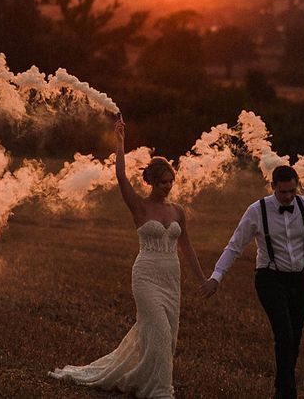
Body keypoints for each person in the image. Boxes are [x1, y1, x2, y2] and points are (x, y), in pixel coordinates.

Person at [49, 116, 207, 398]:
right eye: (162, 182)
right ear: (151, 182)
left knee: (167, 337)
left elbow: (188, 247)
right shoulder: (139, 207)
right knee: (158, 330)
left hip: (171, 277)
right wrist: (120, 143)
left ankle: (142, 378)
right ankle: (160, 390)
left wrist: (203, 280)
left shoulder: (178, 212)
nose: (167, 186)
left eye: (171, 181)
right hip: (146, 275)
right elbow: (121, 177)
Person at [201, 165, 304, 399]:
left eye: (292, 191)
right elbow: (234, 246)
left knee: (294, 339)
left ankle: (281, 389)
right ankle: (288, 393)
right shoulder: (257, 210)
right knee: (284, 334)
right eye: (283, 192)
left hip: (300, 281)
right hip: (270, 278)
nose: (287, 197)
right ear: (273, 187)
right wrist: (216, 277)